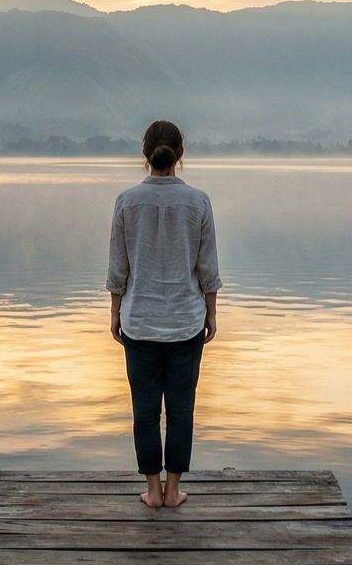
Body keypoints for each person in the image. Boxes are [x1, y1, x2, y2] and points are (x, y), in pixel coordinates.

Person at [106, 119, 220, 509]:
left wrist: (115, 314)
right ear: (180, 154)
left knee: (145, 410)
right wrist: (211, 314)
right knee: (181, 409)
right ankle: (173, 491)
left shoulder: (126, 201)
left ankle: (152, 491)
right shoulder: (199, 201)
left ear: (145, 154)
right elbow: (207, 268)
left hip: (139, 322)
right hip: (186, 322)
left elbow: (118, 268)